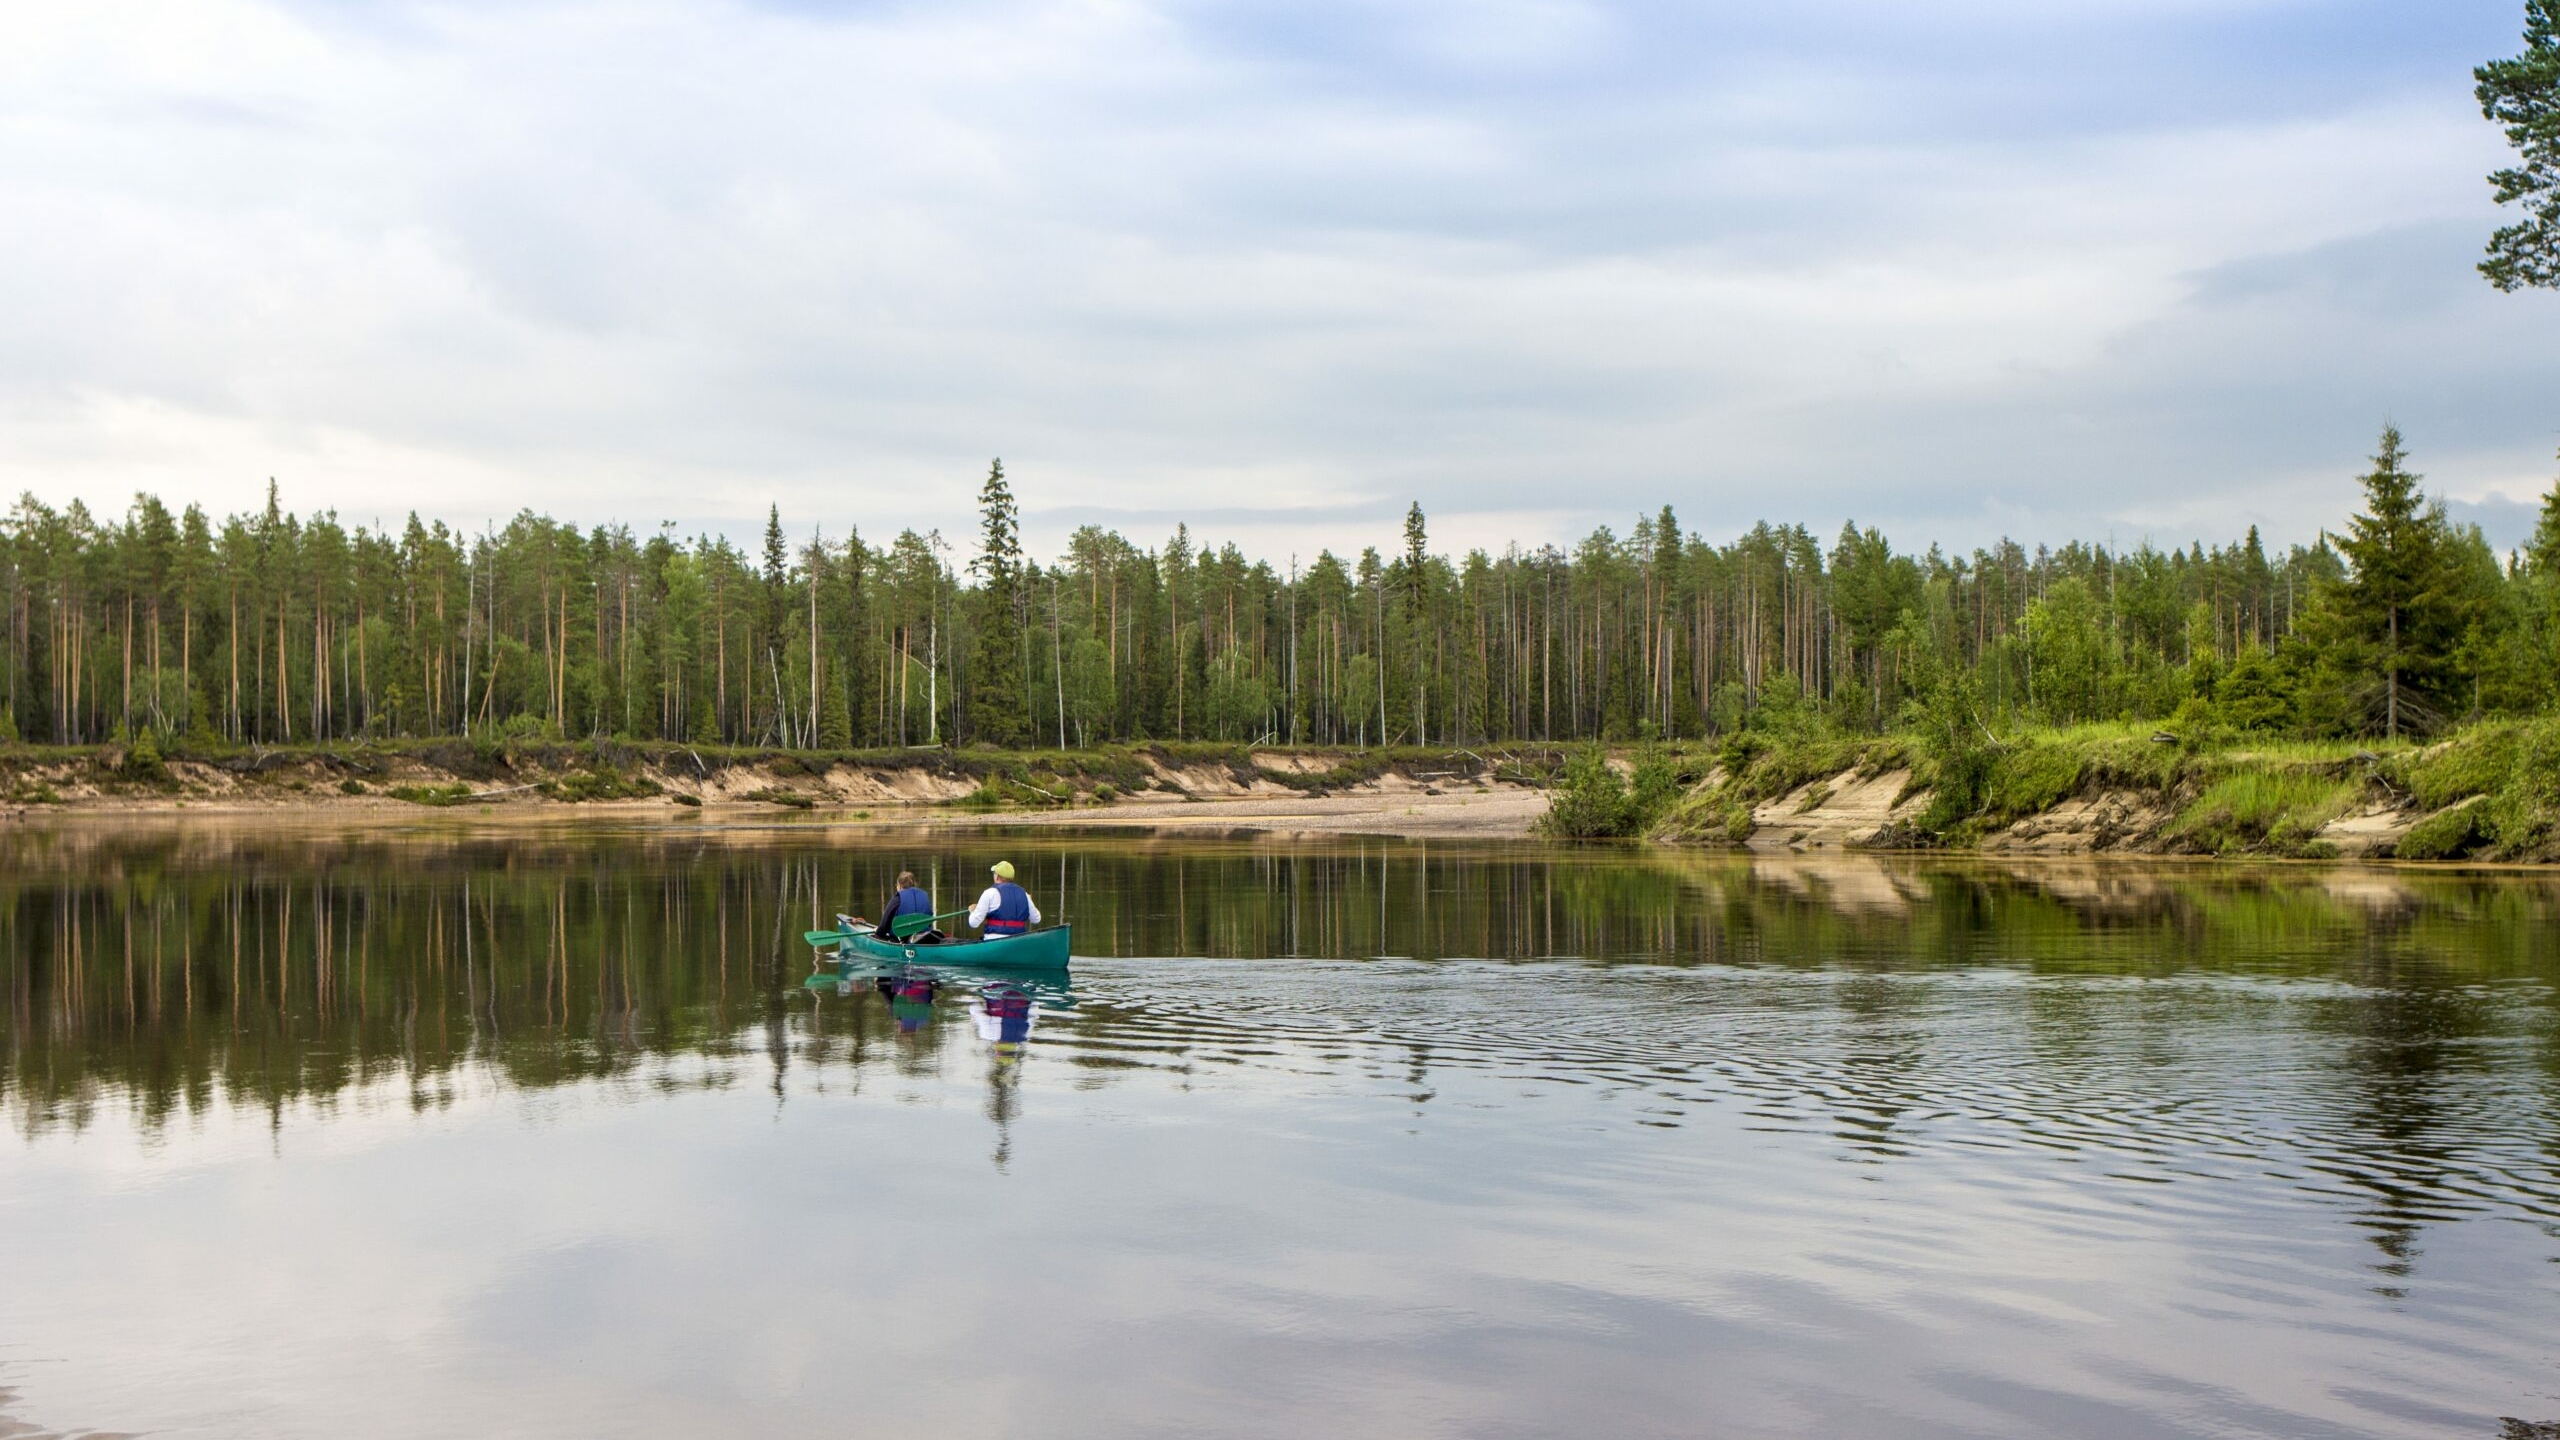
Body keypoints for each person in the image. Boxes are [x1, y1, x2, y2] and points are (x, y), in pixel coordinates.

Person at [967, 860, 1041, 937]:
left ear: (997, 877)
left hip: (994, 940)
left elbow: (973, 923)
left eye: (994, 873)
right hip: (1019, 940)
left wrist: (972, 911)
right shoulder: (1024, 894)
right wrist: (1029, 902)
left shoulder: (989, 893)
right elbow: (1036, 919)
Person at [876, 872, 939, 942]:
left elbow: (884, 923)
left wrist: (878, 935)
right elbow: (929, 920)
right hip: (924, 936)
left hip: (902, 939)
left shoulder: (897, 898)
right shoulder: (924, 895)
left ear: (899, 886)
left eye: (896, 885)